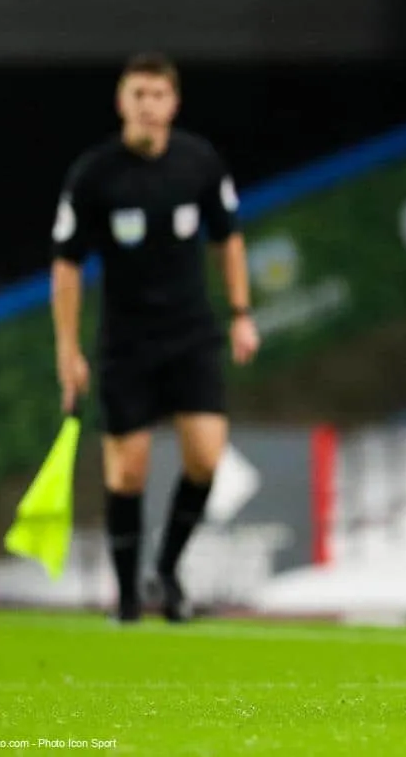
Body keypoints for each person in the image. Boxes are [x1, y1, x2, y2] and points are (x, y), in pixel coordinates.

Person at [50, 52, 260, 624]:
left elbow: (229, 239)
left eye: (158, 95)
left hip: (191, 335)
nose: (148, 105)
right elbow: (66, 266)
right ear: (122, 102)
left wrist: (241, 312)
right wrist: (68, 350)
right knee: (127, 472)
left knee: (206, 458)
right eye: (137, 94)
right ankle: (125, 601)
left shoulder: (200, 163)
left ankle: (165, 571)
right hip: (125, 343)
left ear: (174, 103)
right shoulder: (93, 175)